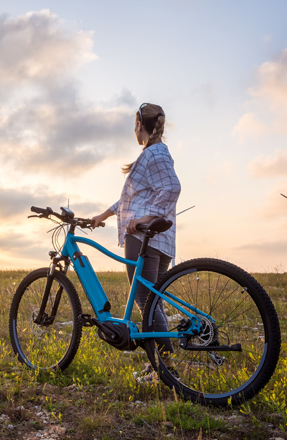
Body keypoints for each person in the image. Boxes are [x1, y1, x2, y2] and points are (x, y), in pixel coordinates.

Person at [91, 102, 181, 368]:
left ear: (139, 125)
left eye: (134, 124)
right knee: (152, 302)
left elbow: (172, 188)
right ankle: (163, 364)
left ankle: (164, 367)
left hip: (144, 236)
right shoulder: (154, 154)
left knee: (145, 301)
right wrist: (103, 216)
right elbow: (133, 199)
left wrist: (146, 218)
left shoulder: (154, 153)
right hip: (159, 238)